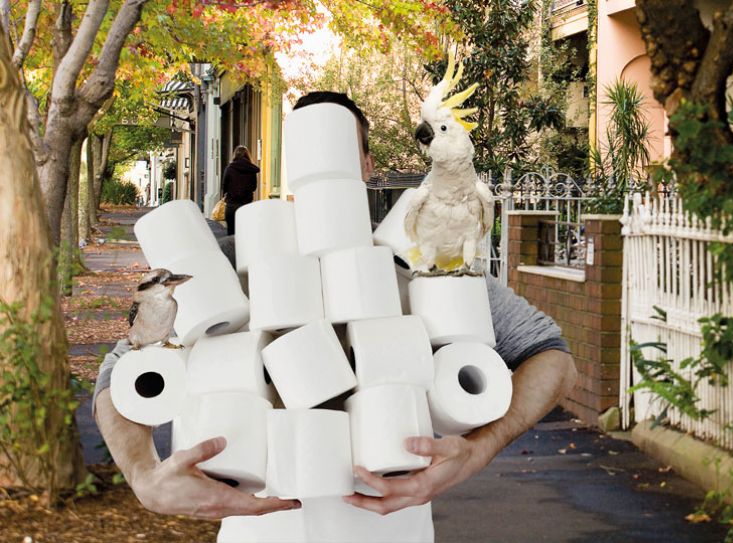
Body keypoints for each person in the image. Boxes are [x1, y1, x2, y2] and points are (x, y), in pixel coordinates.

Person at [92, 92, 576, 530]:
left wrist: (478, 449)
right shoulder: (228, 267)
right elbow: (123, 374)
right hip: (261, 529)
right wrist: (144, 477)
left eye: (336, 145)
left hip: (389, 530)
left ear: (365, 163)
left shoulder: (423, 264)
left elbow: (552, 357)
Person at [221, 145, 260, 235]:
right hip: (246, 205)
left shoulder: (229, 168)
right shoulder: (251, 170)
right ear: (247, 155)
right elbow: (254, 187)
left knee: (231, 233)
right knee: (244, 233)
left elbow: (224, 186)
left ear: (235, 155)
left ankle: (232, 248)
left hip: (231, 205)